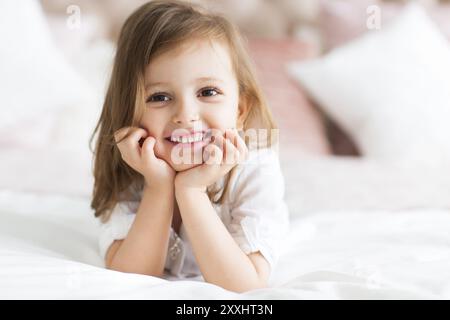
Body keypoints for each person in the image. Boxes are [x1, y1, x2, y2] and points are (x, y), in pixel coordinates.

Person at [90, 0, 289, 293]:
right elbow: (131, 279)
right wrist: (159, 188)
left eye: (208, 92)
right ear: (129, 112)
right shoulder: (130, 168)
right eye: (158, 97)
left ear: (239, 110)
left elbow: (244, 287)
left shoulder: (255, 169)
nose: (185, 115)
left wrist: (191, 191)